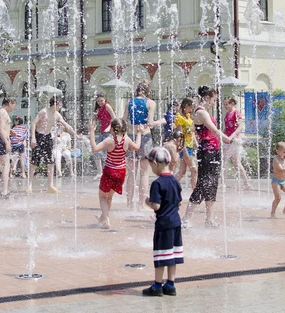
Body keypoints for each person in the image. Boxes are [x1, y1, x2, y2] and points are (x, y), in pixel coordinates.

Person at [181, 86, 231, 228]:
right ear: (207, 98)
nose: (214, 103)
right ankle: (186, 218)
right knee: (203, 184)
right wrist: (228, 139)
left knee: (212, 185)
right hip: (207, 152)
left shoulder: (204, 112)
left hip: (213, 150)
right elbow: (214, 130)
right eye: (213, 100)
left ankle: (209, 219)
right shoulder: (201, 113)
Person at [142, 147, 184, 297]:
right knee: (172, 254)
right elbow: (179, 203)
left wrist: (147, 202)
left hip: (164, 224)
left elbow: (156, 206)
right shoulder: (175, 181)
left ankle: (157, 286)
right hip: (176, 223)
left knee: (161, 255)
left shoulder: (157, 183)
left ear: (155, 164)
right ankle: (171, 285)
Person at [89, 118, 142, 229]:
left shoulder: (109, 140)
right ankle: (103, 217)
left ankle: (106, 220)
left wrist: (92, 132)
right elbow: (137, 147)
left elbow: (94, 149)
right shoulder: (126, 139)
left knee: (102, 196)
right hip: (121, 173)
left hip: (109, 171)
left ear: (112, 129)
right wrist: (139, 133)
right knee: (109, 197)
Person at [123, 80, 165, 210]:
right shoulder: (150, 103)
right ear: (148, 90)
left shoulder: (130, 102)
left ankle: (129, 204)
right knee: (144, 173)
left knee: (131, 173)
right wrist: (161, 121)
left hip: (131, 136)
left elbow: (124, 121)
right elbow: (151, 123)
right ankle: (141, 204)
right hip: (145, 137)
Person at [28, 96, 77, 194]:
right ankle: (29, 185)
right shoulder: (44, 112)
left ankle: (50, 186)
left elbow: (66, 125)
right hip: (38, 136)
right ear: (55, 104)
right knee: (34, 161)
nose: (61, 106)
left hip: (48, 137)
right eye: (60, 104)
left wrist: (76, 135)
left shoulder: (57, 115)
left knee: (50, 162)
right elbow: (33, 123)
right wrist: (33, 138)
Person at [222, 96, 251, 190]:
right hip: (228, 140)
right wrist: (222, 135)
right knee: (226, 162)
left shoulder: (236, 113)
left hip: (235, 141)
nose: (224, 106)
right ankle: (223, 182)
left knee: (234, 163)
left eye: (226, 104)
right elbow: (226, 128)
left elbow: (240, 127)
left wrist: (232, 136)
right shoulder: (227, 114)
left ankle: (246, 183)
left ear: (232, 103)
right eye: (224, 104)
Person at [0, 98, 16, 198]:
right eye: (14, 104)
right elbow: (0, 129)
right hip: (1, 140)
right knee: (6, 165)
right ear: (10, 103)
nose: (14, 107)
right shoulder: (3, 113)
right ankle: (4, 191)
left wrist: (9, 131)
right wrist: (7, 142)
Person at [91, 92, 116, 180]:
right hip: (102, 133)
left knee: (106, 154)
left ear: (105, 99)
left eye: (101, 100)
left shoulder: (107, 106)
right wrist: (93, 121)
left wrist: (109, 127)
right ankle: (100, 172)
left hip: (109, 133)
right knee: (95, 151)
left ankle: (108, 173)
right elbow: (94, 119)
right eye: (98, 101)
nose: (100, 103)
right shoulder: (99, 108)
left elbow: (114, 117)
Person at [175, 98, 197, 189]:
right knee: (194, 169)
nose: (191, 110)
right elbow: (180, 134)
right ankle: (195, 194)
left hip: (190, 145)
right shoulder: (179, 117)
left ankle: (168, 187)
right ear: (186, 106)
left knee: (182, 171)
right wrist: (183, 147)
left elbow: (191, 132)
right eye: (190, 107)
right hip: (184, 146)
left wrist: (196, 143)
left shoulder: (188, 116)